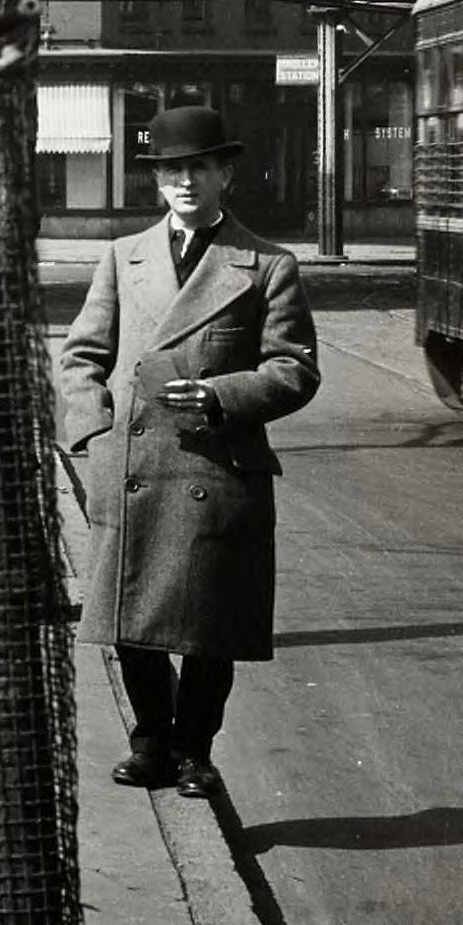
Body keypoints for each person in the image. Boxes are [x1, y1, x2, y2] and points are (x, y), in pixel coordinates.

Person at [55, 104, 319, 796]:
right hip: (134, 465)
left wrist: (219, 395)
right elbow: (82, 356)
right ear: (157, 181)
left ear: (226, 174)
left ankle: (195, 751)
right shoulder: (123, 257)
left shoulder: (268, 265)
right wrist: (94, 433)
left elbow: (294, 369)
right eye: (172, 170)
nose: (185, 182)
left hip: (216, 466)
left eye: (199, 167)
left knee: (210, 625)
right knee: (130, 616)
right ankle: (150, 744)